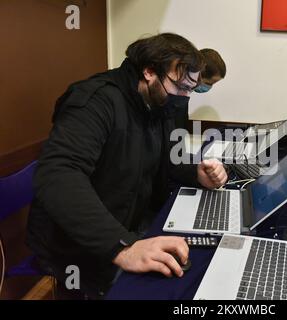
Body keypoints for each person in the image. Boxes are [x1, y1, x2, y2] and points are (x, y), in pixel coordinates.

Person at [26, 33, 228, 299]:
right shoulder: (95, 100)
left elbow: (166, 162)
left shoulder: (159, 102)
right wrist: (122, 246)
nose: (184, 97)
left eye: (190, 89)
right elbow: (58, 175)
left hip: (131, 222)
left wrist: (196, 175)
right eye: (179, 87)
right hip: (82, 244)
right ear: (148, 71)